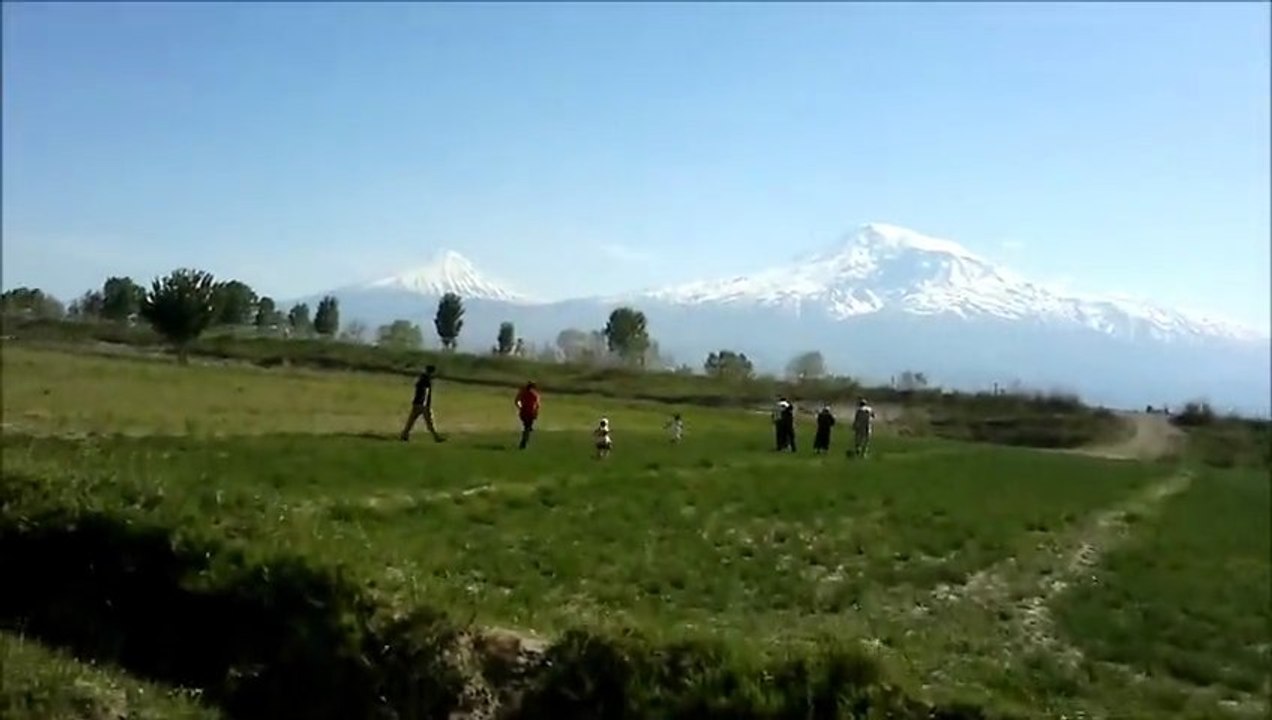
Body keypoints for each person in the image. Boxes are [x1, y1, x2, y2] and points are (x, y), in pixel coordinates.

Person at [400, 365, 444, 443]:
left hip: (417, 403)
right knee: (429, 422)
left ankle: (404, 435)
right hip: (423, 404)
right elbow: (426, 393)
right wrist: (426, 405)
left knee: (411, 421)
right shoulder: (426, 380)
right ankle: (436, 437)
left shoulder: (421, 378)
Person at [514, 381, 540, 450]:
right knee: (527, 428)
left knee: (526, 426)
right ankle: (524, 442)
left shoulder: (522, 393)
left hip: (523, 412)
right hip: (530, 413)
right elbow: (537, 405)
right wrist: (536, 413)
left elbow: (516, 401)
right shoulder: (535, 394)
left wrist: (520, 407)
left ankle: (524, 441)